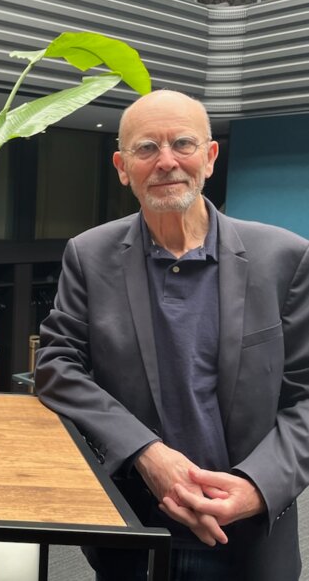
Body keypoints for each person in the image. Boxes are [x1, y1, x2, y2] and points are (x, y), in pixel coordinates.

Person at [36, 89, 309, 581]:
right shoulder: (89, 255)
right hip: (135, 532)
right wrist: (146, 452)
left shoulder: (284, 259)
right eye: (146, 149)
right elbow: (57, 367)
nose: (166, 162)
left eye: (182, 143)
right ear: (122, 167)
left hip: (250, 542)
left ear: (210, 156)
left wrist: (256, 486)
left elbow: (306, 397)